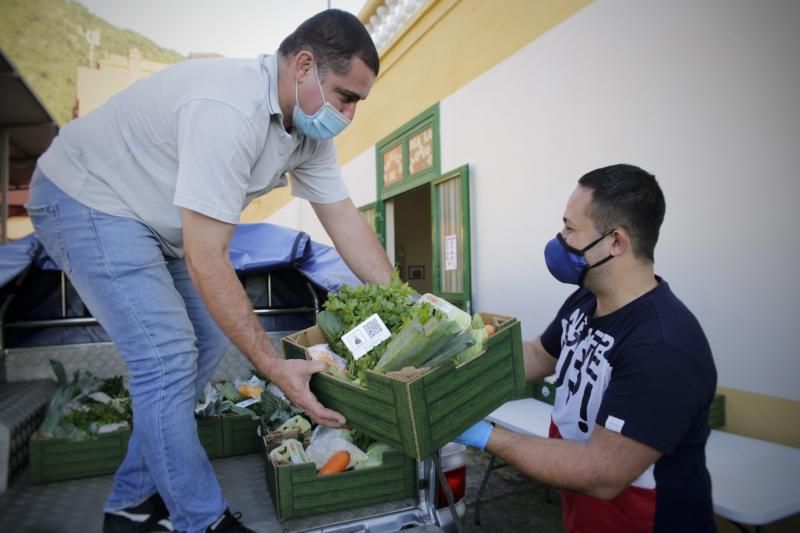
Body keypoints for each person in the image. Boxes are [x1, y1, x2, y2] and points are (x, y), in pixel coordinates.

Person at [26, 9, 392, 533]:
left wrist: (415, 305)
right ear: (305, 66)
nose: (350, 114)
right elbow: (207, 257)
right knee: (168, 357)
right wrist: (274, 368)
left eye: (357, 101)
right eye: (346, 96)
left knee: (204, 340)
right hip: (87, 196)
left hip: (155, 218)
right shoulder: (229, 109)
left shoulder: (308, 135)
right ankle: (202, 521)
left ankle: (131, 504)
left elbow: (347, 225)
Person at [457, 164, 717, 532]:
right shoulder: (585, 300)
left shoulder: (662, 346)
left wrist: (484, 435)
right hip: (583, 512)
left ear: (616, 242)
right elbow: (537, 355)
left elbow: (602, 472)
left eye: (570, 228)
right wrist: (461, 364)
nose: (559, 240)